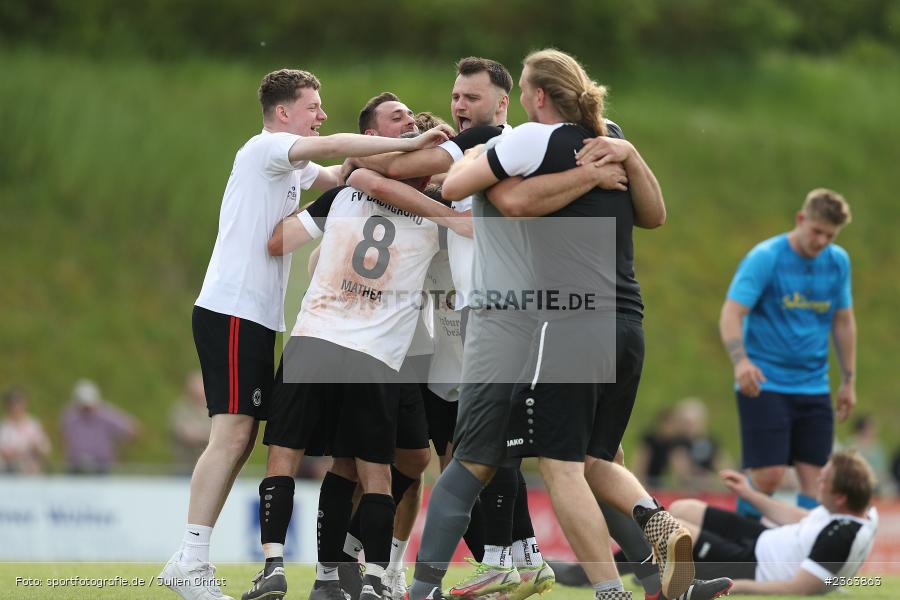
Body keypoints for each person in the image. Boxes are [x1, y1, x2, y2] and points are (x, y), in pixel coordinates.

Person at [420, 49, 718, 600]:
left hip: (564, 319)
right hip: (629, 321)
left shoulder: (532, 137)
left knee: (554, 468)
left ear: (532, 98)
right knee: (595, 458)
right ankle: (661, 533)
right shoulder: (610, 135)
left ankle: (612, 592)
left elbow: (470, 191)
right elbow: (655, 215)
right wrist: (615, 160)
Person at [159, 67, 450, 600]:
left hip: (264, 317)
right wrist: (415, 142)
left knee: (246, 437)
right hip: (232, 307)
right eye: (314, 106)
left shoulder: (297, 169)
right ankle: (191, 559)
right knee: (233, 435)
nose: (322, 115)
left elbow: (350, 170)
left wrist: (394, 159)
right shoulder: (267, 148)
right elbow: (343, 152)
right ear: (285, 112)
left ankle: (208, 558)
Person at [350, 58, 561, 600]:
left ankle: (507, 559)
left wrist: (422, 168)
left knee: (486, 440)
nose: (460, 106)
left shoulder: (491, 144)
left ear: (502, 104)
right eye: (456, 96)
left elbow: (380, 175)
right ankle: (523, 557)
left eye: (471, 96)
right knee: (490, 438)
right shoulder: (506, 147)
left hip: (498, 310)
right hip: (479, 313)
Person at [241, 129, 460, 600]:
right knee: (373, 472)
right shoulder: (436, 222)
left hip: (315, 337)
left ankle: (274, 566)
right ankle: (377, 580)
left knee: (283, 455)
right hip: (375, 355)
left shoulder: (345, 194)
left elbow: (279, 243)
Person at [719, 188, 856, 520]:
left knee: (817, 480)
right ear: (800, 219)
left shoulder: (838, 262)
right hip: (765, 382)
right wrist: (741, 362)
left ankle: (807, 561)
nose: (821, 241)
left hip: (813, 386)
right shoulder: (766, 257)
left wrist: (848, 380)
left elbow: (843, 321)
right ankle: (742, 545)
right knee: (769, 474)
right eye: (816, 231)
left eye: (830, 235)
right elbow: (731, 313)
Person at [669, 450, 878, 595]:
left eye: (824, 481)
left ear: (841, 497)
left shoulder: (841, 537)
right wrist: (748, 493)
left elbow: (798, 588)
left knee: (671, 530)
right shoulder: (861, 510)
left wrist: (732, 587)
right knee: (681, 509)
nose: (818, 484)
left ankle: (646, 572)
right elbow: (804, 518)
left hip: (755, 567)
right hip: (763, 537)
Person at [60, 379, 138, 474]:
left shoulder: (107, 414)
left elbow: (131, 430)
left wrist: (120, 451)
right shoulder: (69, 415)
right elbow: (64, 438)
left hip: (101, 467)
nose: (86, 410)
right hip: (75, 467)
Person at [0, 387, 51, 474]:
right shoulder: (3, 427)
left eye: (19, 403)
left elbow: (46, 449)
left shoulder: (33, 425)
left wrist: (36, 448)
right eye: (13, 404)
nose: (16, 407)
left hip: (32, 473)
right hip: (8, 474)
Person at [170, 372, 212, 474]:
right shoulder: (180, 410)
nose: (200, 390)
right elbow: (189, 435)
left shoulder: (218, 410)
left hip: (213, 469)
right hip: (186, 470)